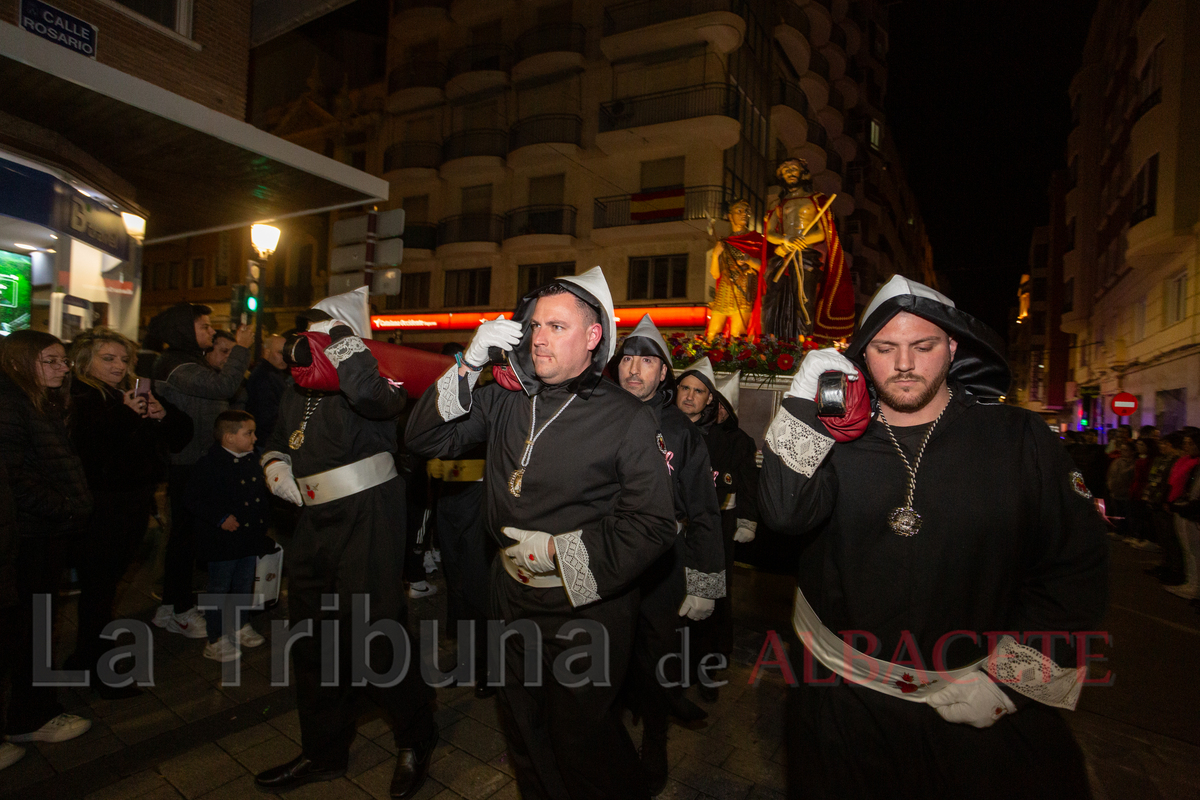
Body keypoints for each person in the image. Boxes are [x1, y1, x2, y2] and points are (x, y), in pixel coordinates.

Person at [758, 276, 1107, 798]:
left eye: (923, 346)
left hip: (971, 714)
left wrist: (1011, 684)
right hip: (841, 712)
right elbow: (784, 514)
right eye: (884, 348)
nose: (904, 364)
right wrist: (805, 403)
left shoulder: (1018, 439)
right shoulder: (830, 439)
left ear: (952, 347)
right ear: (859, 357)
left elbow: (1074, 570)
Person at [405, 268, 677, 800]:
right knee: (524, 729)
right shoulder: (506, 398)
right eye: (535, 326)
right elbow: (423, 436)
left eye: (557, 326)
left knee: (582, 739)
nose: (539, 337)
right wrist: (469, 362)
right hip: (509, 596)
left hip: (586, 608)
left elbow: (653, 523)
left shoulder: (626, 416)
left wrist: (558, 553)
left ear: (593, 338)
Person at [254, 300, 436, 797]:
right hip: (312, 521)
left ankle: (416, 736)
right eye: (309, 335)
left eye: (325, 337)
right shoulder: (299, 386)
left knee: (377, 633)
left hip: (368, 515)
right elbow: (276, 437)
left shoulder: (374, 378)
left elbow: (375, 400)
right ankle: (324, 750)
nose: (310, 347)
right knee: (312, 637)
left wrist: (344, 340)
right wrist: (274, 464)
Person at [613, 315, 725, 793]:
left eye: (648, 361)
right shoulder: (598, 412)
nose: (634, 369)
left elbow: (702, 508)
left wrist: (704, 581)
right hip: (611, 554)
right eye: (628, 358)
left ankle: (655, 737)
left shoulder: (681, 430)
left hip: (665, 559)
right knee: (610, 651)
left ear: (664, 374)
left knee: (657, 651)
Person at [67, 328, 191, 696]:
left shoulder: (130, 393)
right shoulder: (80, 397)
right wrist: (125, 415)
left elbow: (180, 435)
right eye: (108, 359)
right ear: (85, 362)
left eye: (124, 359)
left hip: (133, 503)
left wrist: (161, 413)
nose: (119, 366)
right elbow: (90, 449)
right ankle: (92, 667)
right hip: (102, 508)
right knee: (98, 587)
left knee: (107, 586)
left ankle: (93, 652)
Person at [0, 330, 93, 745]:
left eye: (64, 360)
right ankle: (27, 716)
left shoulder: (41, 402)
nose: (63, 368)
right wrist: (67, 506)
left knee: (37, 624)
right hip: (29, 536)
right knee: (29, 627)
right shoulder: (11, 405)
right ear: (21, 362)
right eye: (50, 360)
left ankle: (31, 709)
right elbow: (14, 479)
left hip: (46, 533)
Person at [148, 303, 252, 637]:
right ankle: (180, 610)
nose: (209, 331)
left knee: (185, 538)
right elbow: (222, 387)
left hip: (192, 460)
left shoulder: (185, 362)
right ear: (183, 330)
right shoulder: (177, 365)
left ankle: (170, 606)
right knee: (185, 540)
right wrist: (241, 350)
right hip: (187, 462)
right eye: (204, 326)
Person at [676, 358, 760, 699]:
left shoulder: (731, 440)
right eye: (686, 388)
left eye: (700, 392)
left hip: (716, 526)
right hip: (677, 529)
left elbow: (743, 483)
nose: (690, 397)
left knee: (713, 593)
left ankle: (710, 665)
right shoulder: (670, 428)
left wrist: (745, 520)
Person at [184, 411, 274, 662]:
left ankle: (240, 623)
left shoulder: (250, 459)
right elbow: (192, 499)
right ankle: (215, 638)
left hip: (247, 538)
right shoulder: (209, 464)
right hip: (222, 542)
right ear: (229, 437)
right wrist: (220, 518)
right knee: (220, 587)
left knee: (244, 584)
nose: (255, 438)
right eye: (248, 433)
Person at [759, 158, 853, 340]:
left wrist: (798, 241)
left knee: (803, 300)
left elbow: (821, 232)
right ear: (781, 176)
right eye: (785, 170)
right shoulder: (778, 205)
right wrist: (785, 240)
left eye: (794, 169)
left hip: (806, 255)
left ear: (803, 173)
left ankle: (804, 343)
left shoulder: (817, 200)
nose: (790, 172)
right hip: (783, 255)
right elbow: (770, 232)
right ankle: (771, 341)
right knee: (771, 301)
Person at [706, 199, 764, 341]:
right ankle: (710, 359)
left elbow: (765, 268)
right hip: (725, 290)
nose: (744, 214)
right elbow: (715, 273)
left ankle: (736, 362)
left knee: (737, 336)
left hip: (744, 289)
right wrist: (715, 254)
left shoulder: (756, 240)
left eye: (747, 211)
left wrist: (749, 260)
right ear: (730, 216)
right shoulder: (725, 242)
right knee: (712, 334)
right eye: (739, 211)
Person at [1165, 429, 1200, 599]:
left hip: (1193, 511)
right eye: (1185, 443)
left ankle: (1195, 586)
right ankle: (1191, 582)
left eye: (1190, 443)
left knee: (1194, 550)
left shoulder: (1195, 464)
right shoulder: (1185, 461)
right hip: (1184, 507)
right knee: (1188, 549)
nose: (1187, 446)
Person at [245, 334, 290, 451]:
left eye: (286, 354)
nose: (284, 358)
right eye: (280, 353)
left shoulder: (275, 374)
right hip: (267, 441)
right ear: (266, 352)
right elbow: (267, 414)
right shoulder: (264, 376)